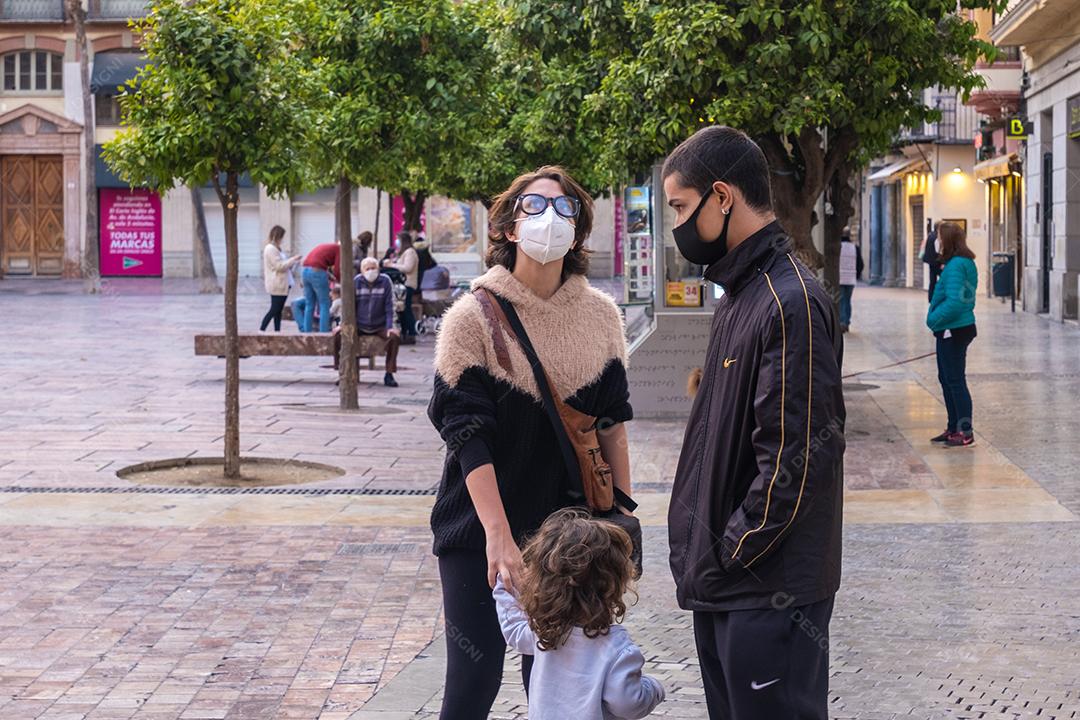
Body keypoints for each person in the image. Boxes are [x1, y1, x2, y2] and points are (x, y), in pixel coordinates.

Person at [427, 166, 635, 720]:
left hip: (568, 536)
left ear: (579, 229)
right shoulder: (471, 317)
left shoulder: (601, 317)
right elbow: (467, 434)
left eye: (564, 208)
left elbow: (612, 424)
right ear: (510, 228)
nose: (550, 218)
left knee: (561, 684)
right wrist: (498, 536)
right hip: (478, 531)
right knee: (473, 679)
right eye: (534, 206)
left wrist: (619, 519)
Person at [663, 126, 845, 720]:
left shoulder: (790, 300)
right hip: (731, 590)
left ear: (723, 197)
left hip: (768, 593)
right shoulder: (743, 292)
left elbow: (797, 456)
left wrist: (729, 549)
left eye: (681, 207)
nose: (678, 225)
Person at [494, 508, 665, 720]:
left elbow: (513, 629)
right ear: (614, 586)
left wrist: (505, 584)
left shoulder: (546, 633)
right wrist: (654, 688)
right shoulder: (616, 648)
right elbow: (628, 704)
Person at [927, 221, 978, 448]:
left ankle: (965, 432)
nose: (936, 240)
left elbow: (956, 303)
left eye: (938, 236)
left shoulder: (957, 265)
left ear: (947, 240)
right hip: (951, 328)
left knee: (955, 381)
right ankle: (953, 426)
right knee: (947, 379)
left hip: (954, 329)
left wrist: (933, 319)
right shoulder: (959, 263)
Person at [333, 257, 401, 387]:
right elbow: (348, 306)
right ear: (362, 271)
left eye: (373, 268)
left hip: (379, 325)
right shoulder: (356, 282)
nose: (371, 271)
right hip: (359, 324)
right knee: (338, 336)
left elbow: (389, 306)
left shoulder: (385, 281)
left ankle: (389, 374)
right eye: (367, 269)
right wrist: (343, 324)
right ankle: (342, 372)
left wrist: (390, 326)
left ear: (378, 269)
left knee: (394, 338)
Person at [260, 226, 301, 332]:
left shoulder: (276, 248)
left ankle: (277, 331)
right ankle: (262, 329)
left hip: (283, 283)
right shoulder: (271, 249)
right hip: (277, 283)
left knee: (278, 310)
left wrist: (293, 263)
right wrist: (293, 259)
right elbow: (279, 266)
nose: (282, 239)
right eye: (282, 236)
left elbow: (283, 265)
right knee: (275, 309)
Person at [384, 231, 420, 343]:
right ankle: (405, 333)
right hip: (403, 285)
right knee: (402, 310)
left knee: (406, 309)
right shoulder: (404, 253)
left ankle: (410, 333)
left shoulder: (410, 252)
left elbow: (407, 268)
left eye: (398, 239)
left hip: (407, 284)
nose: (396, 242)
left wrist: (392, 265)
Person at [300, 242, 341, 333]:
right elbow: (337, 270)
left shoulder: (328, 246)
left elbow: (318, 262)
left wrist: (329, 276)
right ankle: (324, 334)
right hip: (317, 271)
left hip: (305, 271)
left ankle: (307, 333)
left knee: (309, 304)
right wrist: (340, 281)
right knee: (324, 304)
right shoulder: (339, 249)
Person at [838, 227, 863, 333]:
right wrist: (856, 275)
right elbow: (860, 264)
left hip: (839, 278)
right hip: (851, 279)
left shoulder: (837, 247)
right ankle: (846, 322)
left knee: (840, 300)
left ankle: (841, 322)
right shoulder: (855, 248)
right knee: (847, 301)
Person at [922, 221, 942, 301]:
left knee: (932, 280)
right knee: (943, 278)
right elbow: (937, 251)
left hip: (930, 261)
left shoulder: (930, 235)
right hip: (936, 262)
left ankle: (930, 297)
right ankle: (939, 296)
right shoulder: (936, 237)